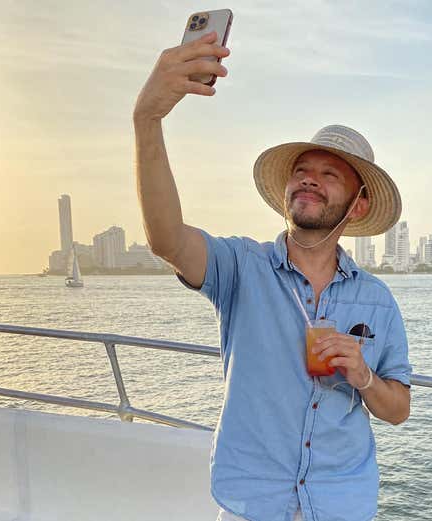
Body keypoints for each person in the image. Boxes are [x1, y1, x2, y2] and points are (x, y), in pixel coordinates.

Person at [134, 30, 412, 521]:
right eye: (301, 170)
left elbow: (397, 409)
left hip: (341, 502)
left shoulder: (376, 299)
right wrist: (148, 118)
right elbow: (167, 239)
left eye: (330, 175)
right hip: (253, 504)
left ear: (358, 204)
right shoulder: (241, 267)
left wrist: (362, 374)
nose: (308, 178)